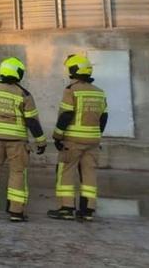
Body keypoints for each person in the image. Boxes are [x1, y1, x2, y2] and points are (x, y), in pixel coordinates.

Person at [0, 57, 46, 222]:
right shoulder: (24, 94)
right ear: (18, 74)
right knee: (17, 173)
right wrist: (41, 141)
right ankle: (16, 212)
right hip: (16, 142)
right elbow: (32, 121)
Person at [47, 53, 108, 222]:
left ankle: (66, 208)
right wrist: (96, 135)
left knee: (65, 172)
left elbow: (66, 115)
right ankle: (87, 210)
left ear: (73, 71)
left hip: (72, 141)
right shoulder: (99, 93)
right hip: (93, 142)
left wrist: (57, 136)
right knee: (89, 174)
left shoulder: (71, 90)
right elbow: (103, 118)